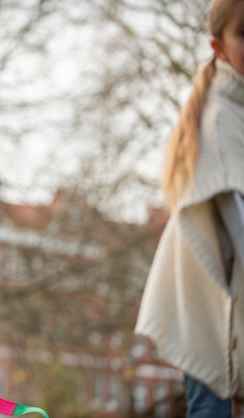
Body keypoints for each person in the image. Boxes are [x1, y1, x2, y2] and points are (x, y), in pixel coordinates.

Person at [134, 1, 244, 417]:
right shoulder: (220, 119)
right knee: (210, 406)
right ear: (218, 47)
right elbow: (238, 226)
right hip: (203, 299)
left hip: (230, 298)